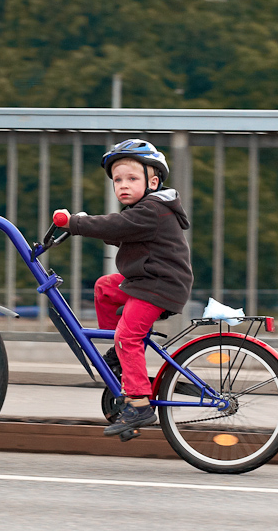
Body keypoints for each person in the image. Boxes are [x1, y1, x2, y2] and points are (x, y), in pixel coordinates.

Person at [52, 139, 192, 437]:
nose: (123, 185)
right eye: (118, 180)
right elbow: (118, 231)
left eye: (132, 178)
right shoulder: (145, 210)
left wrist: (76, 223)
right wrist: (87, 225)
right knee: (105, 287)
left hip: (158, 286)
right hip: (146, 281)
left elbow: (115, 226)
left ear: (152, 181)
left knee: (128, 335)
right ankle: (119, 355)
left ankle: (139, 404)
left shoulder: (152, 208)